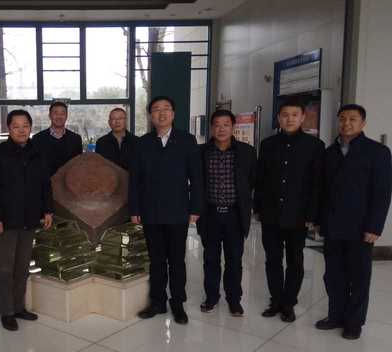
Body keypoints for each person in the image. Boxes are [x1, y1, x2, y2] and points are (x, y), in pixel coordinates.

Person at [316, 104, 392, 340]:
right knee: (333, 275)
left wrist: (375, 227)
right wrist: (319, 221)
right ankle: (335, 315)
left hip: (361, 227)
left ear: (363, 123)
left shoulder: (378, 152)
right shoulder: (329, 152)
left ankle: (354, 322)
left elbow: (382, 192)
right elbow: (322, 190)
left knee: (358, 277)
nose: (346, 123)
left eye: (352, 119)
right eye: (342, 119)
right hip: (332, 225)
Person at [129, 96, 203, 324]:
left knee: (177, 261)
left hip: (177, 210)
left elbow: (197, 177)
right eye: (156, 110)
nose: (161, 113)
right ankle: (157, 302)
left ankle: (178, 303)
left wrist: (195, 207)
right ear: (150, 116)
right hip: (150, 211)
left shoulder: (187, 140)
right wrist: (135, 209)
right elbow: (135, 179)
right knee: (156, 260)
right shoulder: (142, 143)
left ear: (173, 114)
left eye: (166, 109)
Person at [254, 99, 324, 322]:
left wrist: (312, 215)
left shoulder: (315, 146)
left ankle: (289, 302)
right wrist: (257, 208)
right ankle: (276, 300)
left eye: (294, 115)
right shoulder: (267, 144)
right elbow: (260, 179)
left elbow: (317, 184)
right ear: (279, 118)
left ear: (303, 117)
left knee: (295, 260)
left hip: (298, 215)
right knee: (272, 259)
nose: (289, 119)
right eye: (285, 115)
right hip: (271, 214)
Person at [0, 110, 54, 331]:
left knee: (22, 267)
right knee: (4, 268)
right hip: (5, 220)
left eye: (25, 126)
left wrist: (48, 210)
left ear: (30, 128)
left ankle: (18, 307)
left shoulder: (37, 153)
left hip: (29, 219)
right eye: (16, 126)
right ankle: (6, 312)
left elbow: (45, 184)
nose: (21, 130)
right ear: (9, 128)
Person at [197, 110, 256, 317]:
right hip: (210, 214)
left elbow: (252, 181)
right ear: (211, 128)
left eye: (226, 125)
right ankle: (211, 297)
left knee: (234, 260)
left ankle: (234, 300)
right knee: (210, 259)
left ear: (233, 127)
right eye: (217, 125)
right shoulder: (201, 152)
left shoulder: (247, 152)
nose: (221, 129)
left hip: (234, 215)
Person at [31, 101, 83, 176]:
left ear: (66, 116)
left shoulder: (76, 139)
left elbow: (78, 166)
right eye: (55, 113)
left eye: (62, 113)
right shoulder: (37, 139)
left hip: (68, 182)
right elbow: (34, 167)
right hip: (44, 182)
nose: (59, 116)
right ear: (49, 116)